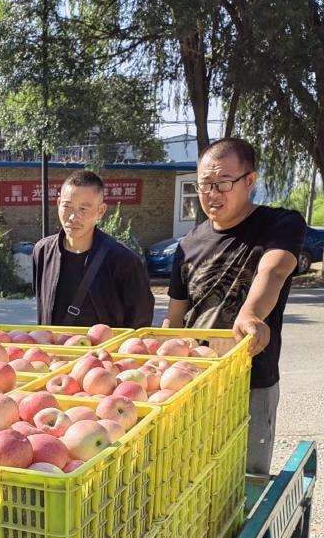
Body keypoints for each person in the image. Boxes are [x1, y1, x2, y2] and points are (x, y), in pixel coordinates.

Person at [165, 138, 305, 476]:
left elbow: (274, 269)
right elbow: (174, 317)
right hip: (195, 382)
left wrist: (252, 314)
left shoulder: (280, 224)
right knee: (191, 477)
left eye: (223, 183)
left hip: (252, 381)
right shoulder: (188, 244)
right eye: (205, 184)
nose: (212, 193)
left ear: (250, 181)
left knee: (246, 480)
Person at [32, 169, 154, 329]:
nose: (73, 217)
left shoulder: (123, 260)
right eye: (67, 206)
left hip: (104, 353)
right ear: (58, 203)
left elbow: (140, 322)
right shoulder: (43, 252)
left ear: (101, 210)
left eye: (83, 209)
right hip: (54, 351)